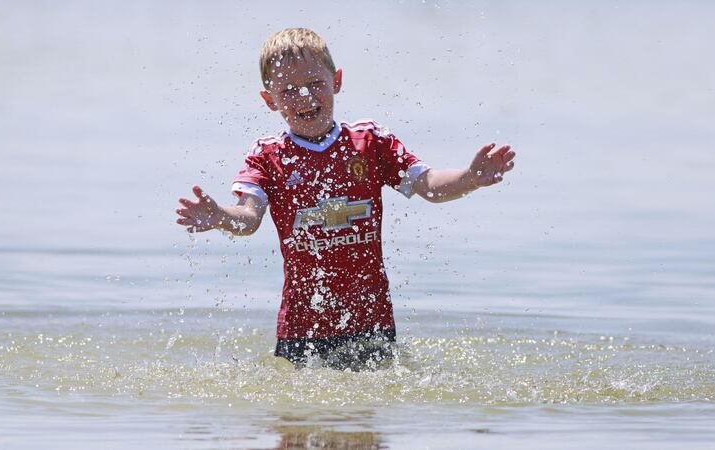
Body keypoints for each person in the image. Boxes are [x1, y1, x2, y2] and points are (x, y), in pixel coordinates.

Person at [176, 28, 515, 369]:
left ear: (336, 81)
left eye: (315, 83)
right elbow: (248, 218)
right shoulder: (269, 156)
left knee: (365, 418)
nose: (305, 96)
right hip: (301, 327)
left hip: (371, 320)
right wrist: (221, 215)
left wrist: (469, 179)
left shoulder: (370, 143)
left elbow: (428, 185)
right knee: (295, 420)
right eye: (288, 90)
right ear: (270, 100)